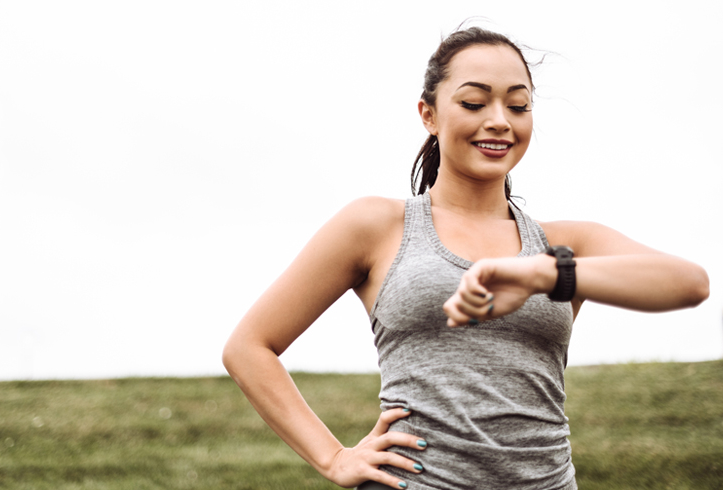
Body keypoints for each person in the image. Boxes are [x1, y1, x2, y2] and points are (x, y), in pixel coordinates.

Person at [222, 26, 709, 490]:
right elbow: (250, 346)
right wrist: (333, 457)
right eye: (474, 102)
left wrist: (543, 272)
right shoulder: (375, 225)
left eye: (518, 105)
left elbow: (688, 283)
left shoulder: (563, 244)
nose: (499, 119)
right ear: (429, 114)